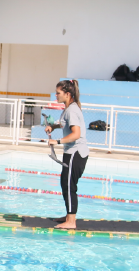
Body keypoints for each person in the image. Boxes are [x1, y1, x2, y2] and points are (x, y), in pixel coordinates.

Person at [45, 79, 90, 229]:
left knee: (69, 185)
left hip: (75, 153)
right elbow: (65, 123)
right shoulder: (69, 108)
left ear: (67, 94)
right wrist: (53, 126)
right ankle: (69, 215)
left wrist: (57, 142)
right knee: (65, 183)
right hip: (72, 153)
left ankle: (71, 221)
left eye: (58, 93)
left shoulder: (71, 110)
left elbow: (76, 134)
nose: (55, 96)